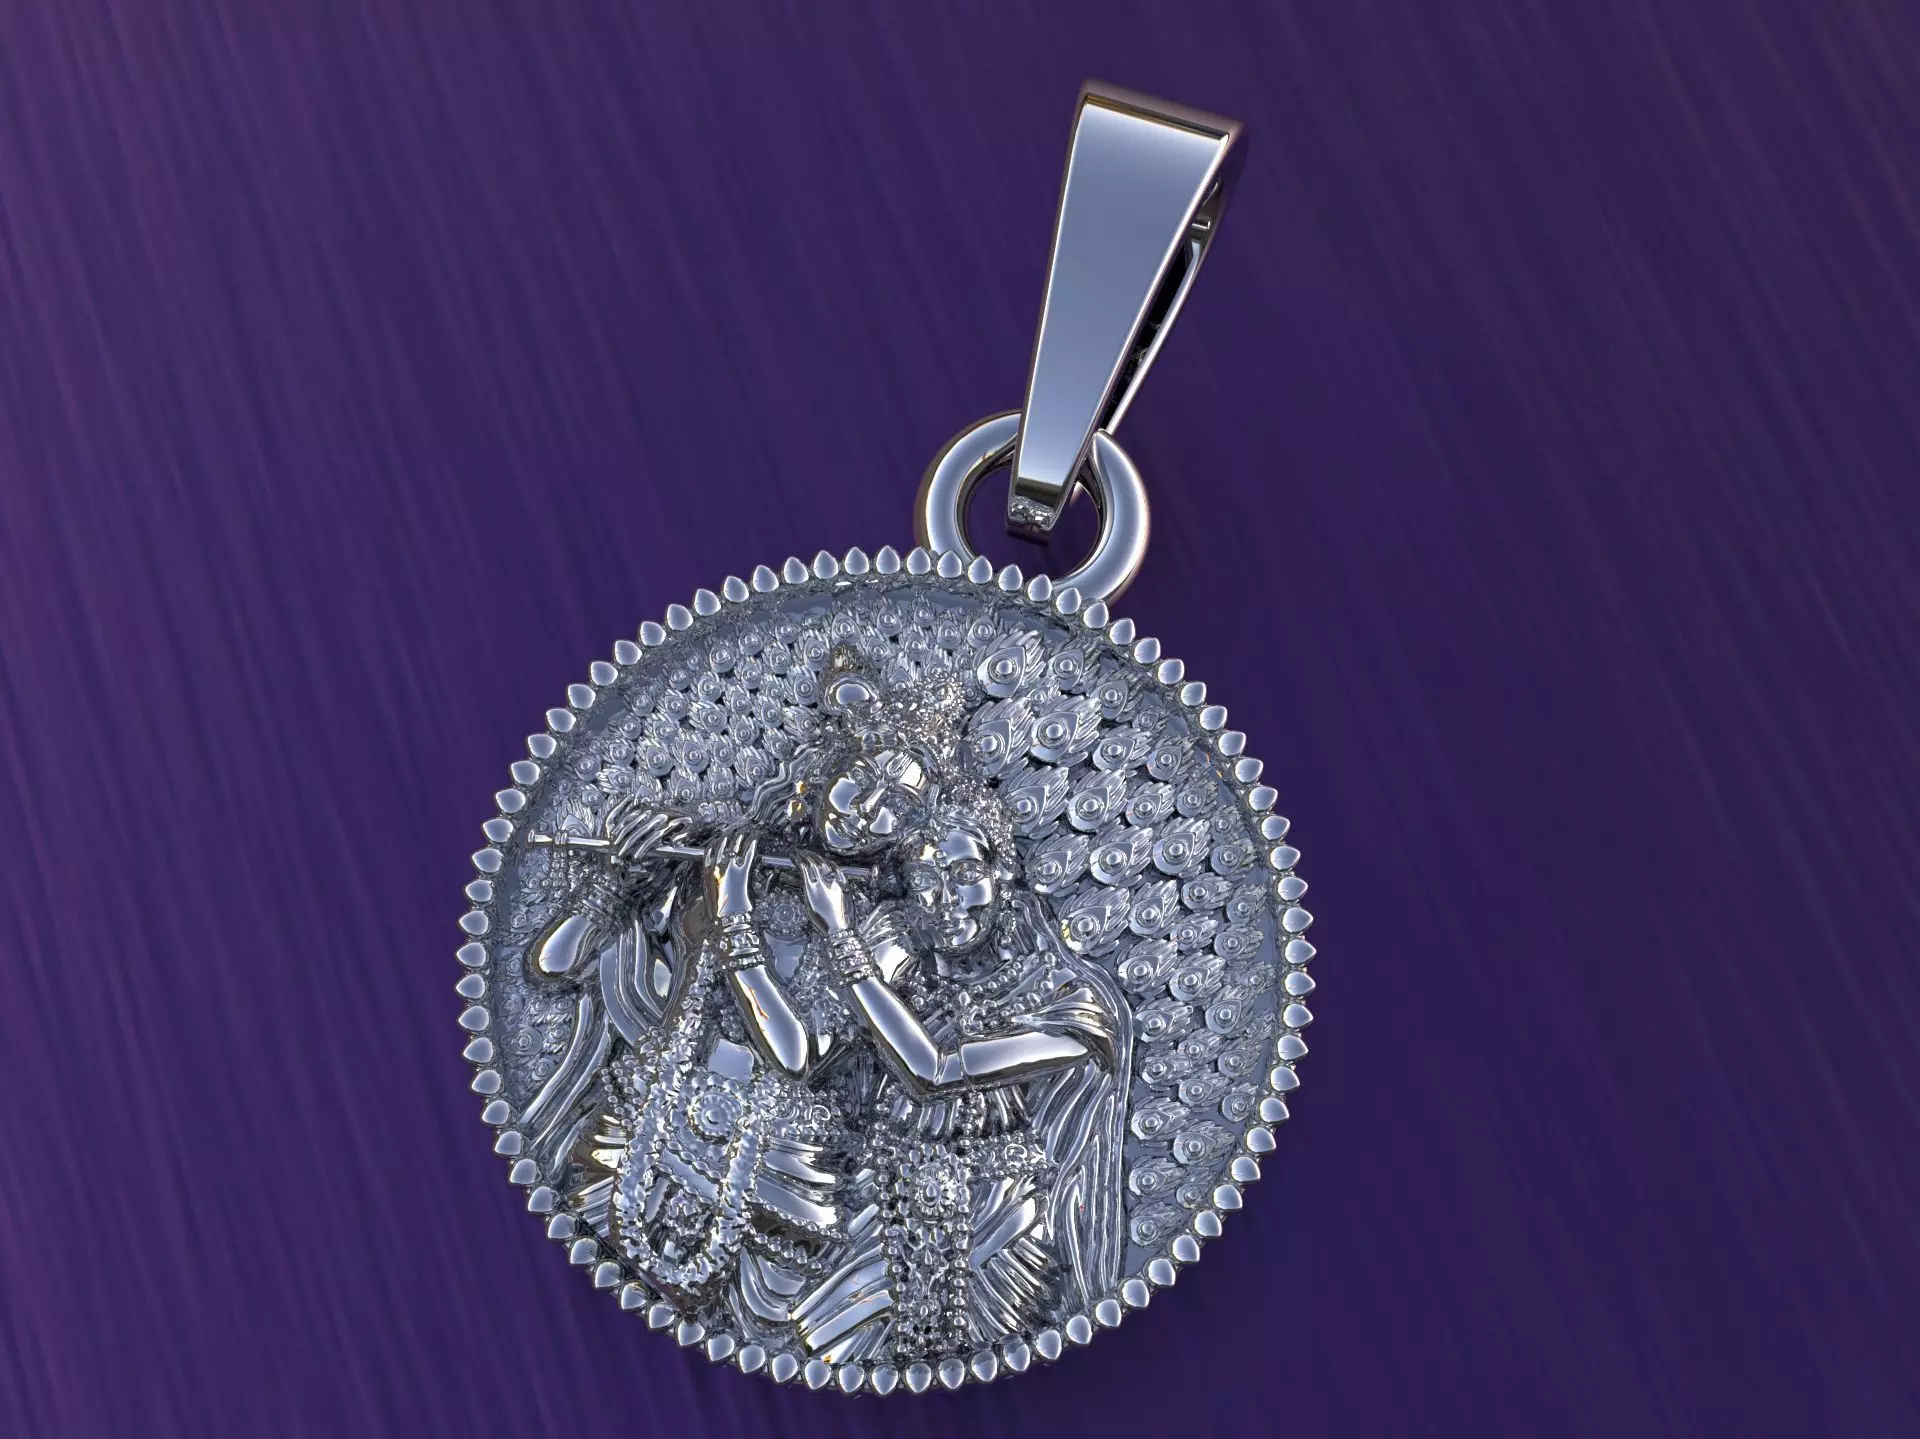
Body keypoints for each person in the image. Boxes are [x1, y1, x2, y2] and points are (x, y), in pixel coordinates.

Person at [787, 786, 1133, 1363]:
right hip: (882, 1207)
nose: (946, 900)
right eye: (925, 880)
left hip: (996, 1224)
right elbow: (801, 1056)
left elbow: (933, 1073)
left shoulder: (1072, 1007)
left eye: (967, 874)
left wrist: (842, 939)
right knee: (816, 1346)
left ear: (1004, 874)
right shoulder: (906, 978)